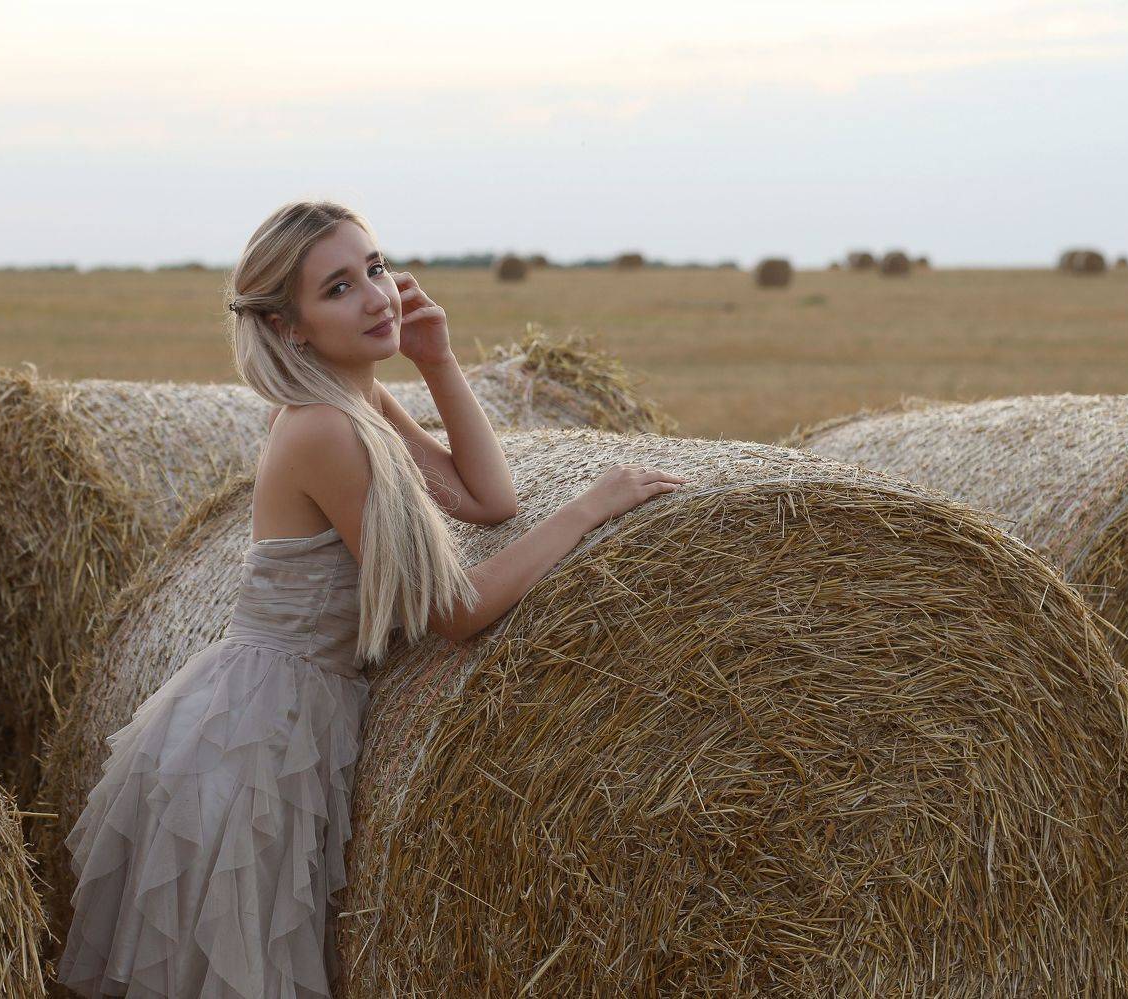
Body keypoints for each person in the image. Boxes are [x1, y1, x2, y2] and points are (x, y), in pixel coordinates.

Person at [54, 199, 687, 998]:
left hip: (294, 705)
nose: (377, 296)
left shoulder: (359, 402)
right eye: (340, 287)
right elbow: (455, 612)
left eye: (376, 268)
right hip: (261, 735)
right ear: (289, 325)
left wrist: (437, 361)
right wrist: (590, 507)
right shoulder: (323, 428)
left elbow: (487, 499)